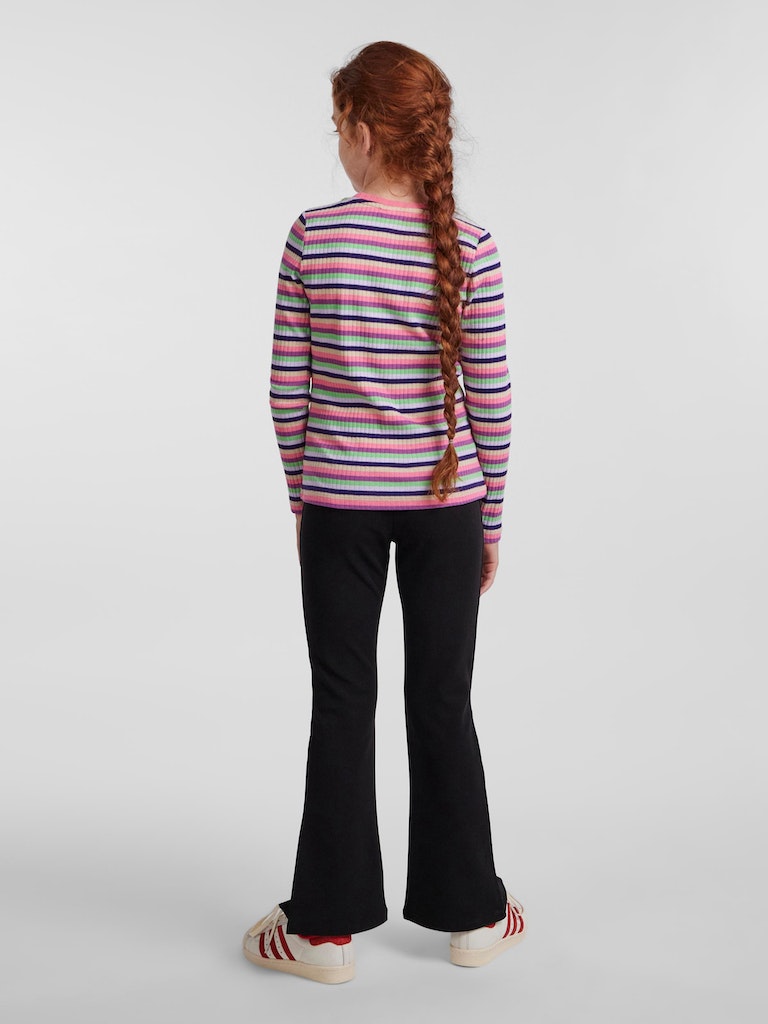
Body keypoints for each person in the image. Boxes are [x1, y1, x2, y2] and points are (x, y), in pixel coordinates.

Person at [243, 40, 526, 985]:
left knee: (342, 701)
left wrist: (303, 493)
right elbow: (491, 399)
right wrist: (491, 521)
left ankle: (323, 933)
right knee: (442, 700)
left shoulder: (313, 237)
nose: (337, 144)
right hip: (448, 506)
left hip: (339, 507)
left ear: (363, 132)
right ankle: (473, 917)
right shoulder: (470, 246)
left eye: (338, 127)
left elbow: (285, 389)